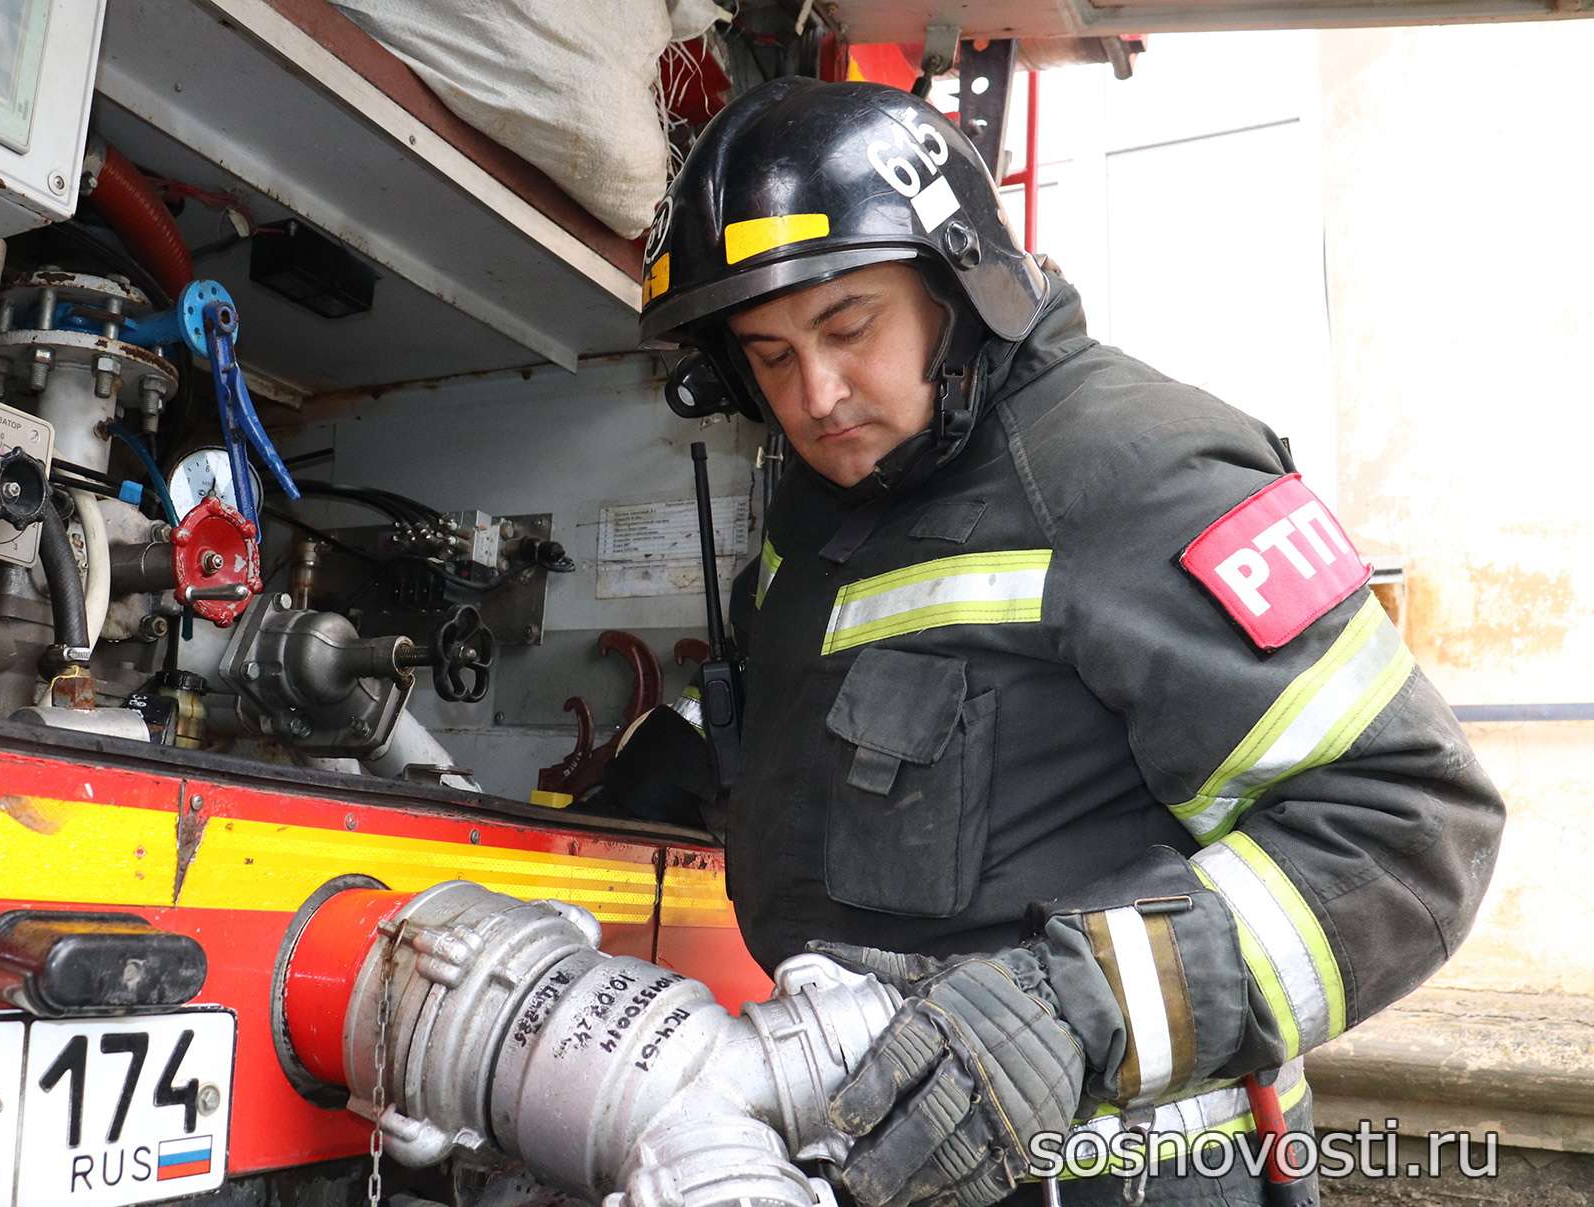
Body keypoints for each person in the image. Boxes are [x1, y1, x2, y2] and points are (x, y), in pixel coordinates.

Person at [615, 78, 1505, 1207]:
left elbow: (1413, 824)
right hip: (878, 1146)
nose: (818, 395)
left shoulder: (1139, 471)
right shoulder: (824, 509)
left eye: (849, 326)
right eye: (770, 356)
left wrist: (1073, 1008)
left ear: (961, 285)